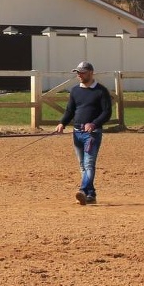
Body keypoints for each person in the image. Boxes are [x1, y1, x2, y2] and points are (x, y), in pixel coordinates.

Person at [53, 60, 112, 205]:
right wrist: (62, 123)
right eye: (78, 72)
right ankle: (91, 194)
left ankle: (83, 190)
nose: (79, 75)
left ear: (91, 73)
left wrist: (94, 123)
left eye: (82, 72)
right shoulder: (75, 90)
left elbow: (107, 113)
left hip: (92, 134)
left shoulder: (101, 91)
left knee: (89, 163)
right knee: (82, 165)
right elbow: (70, 110)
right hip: (77, 133)